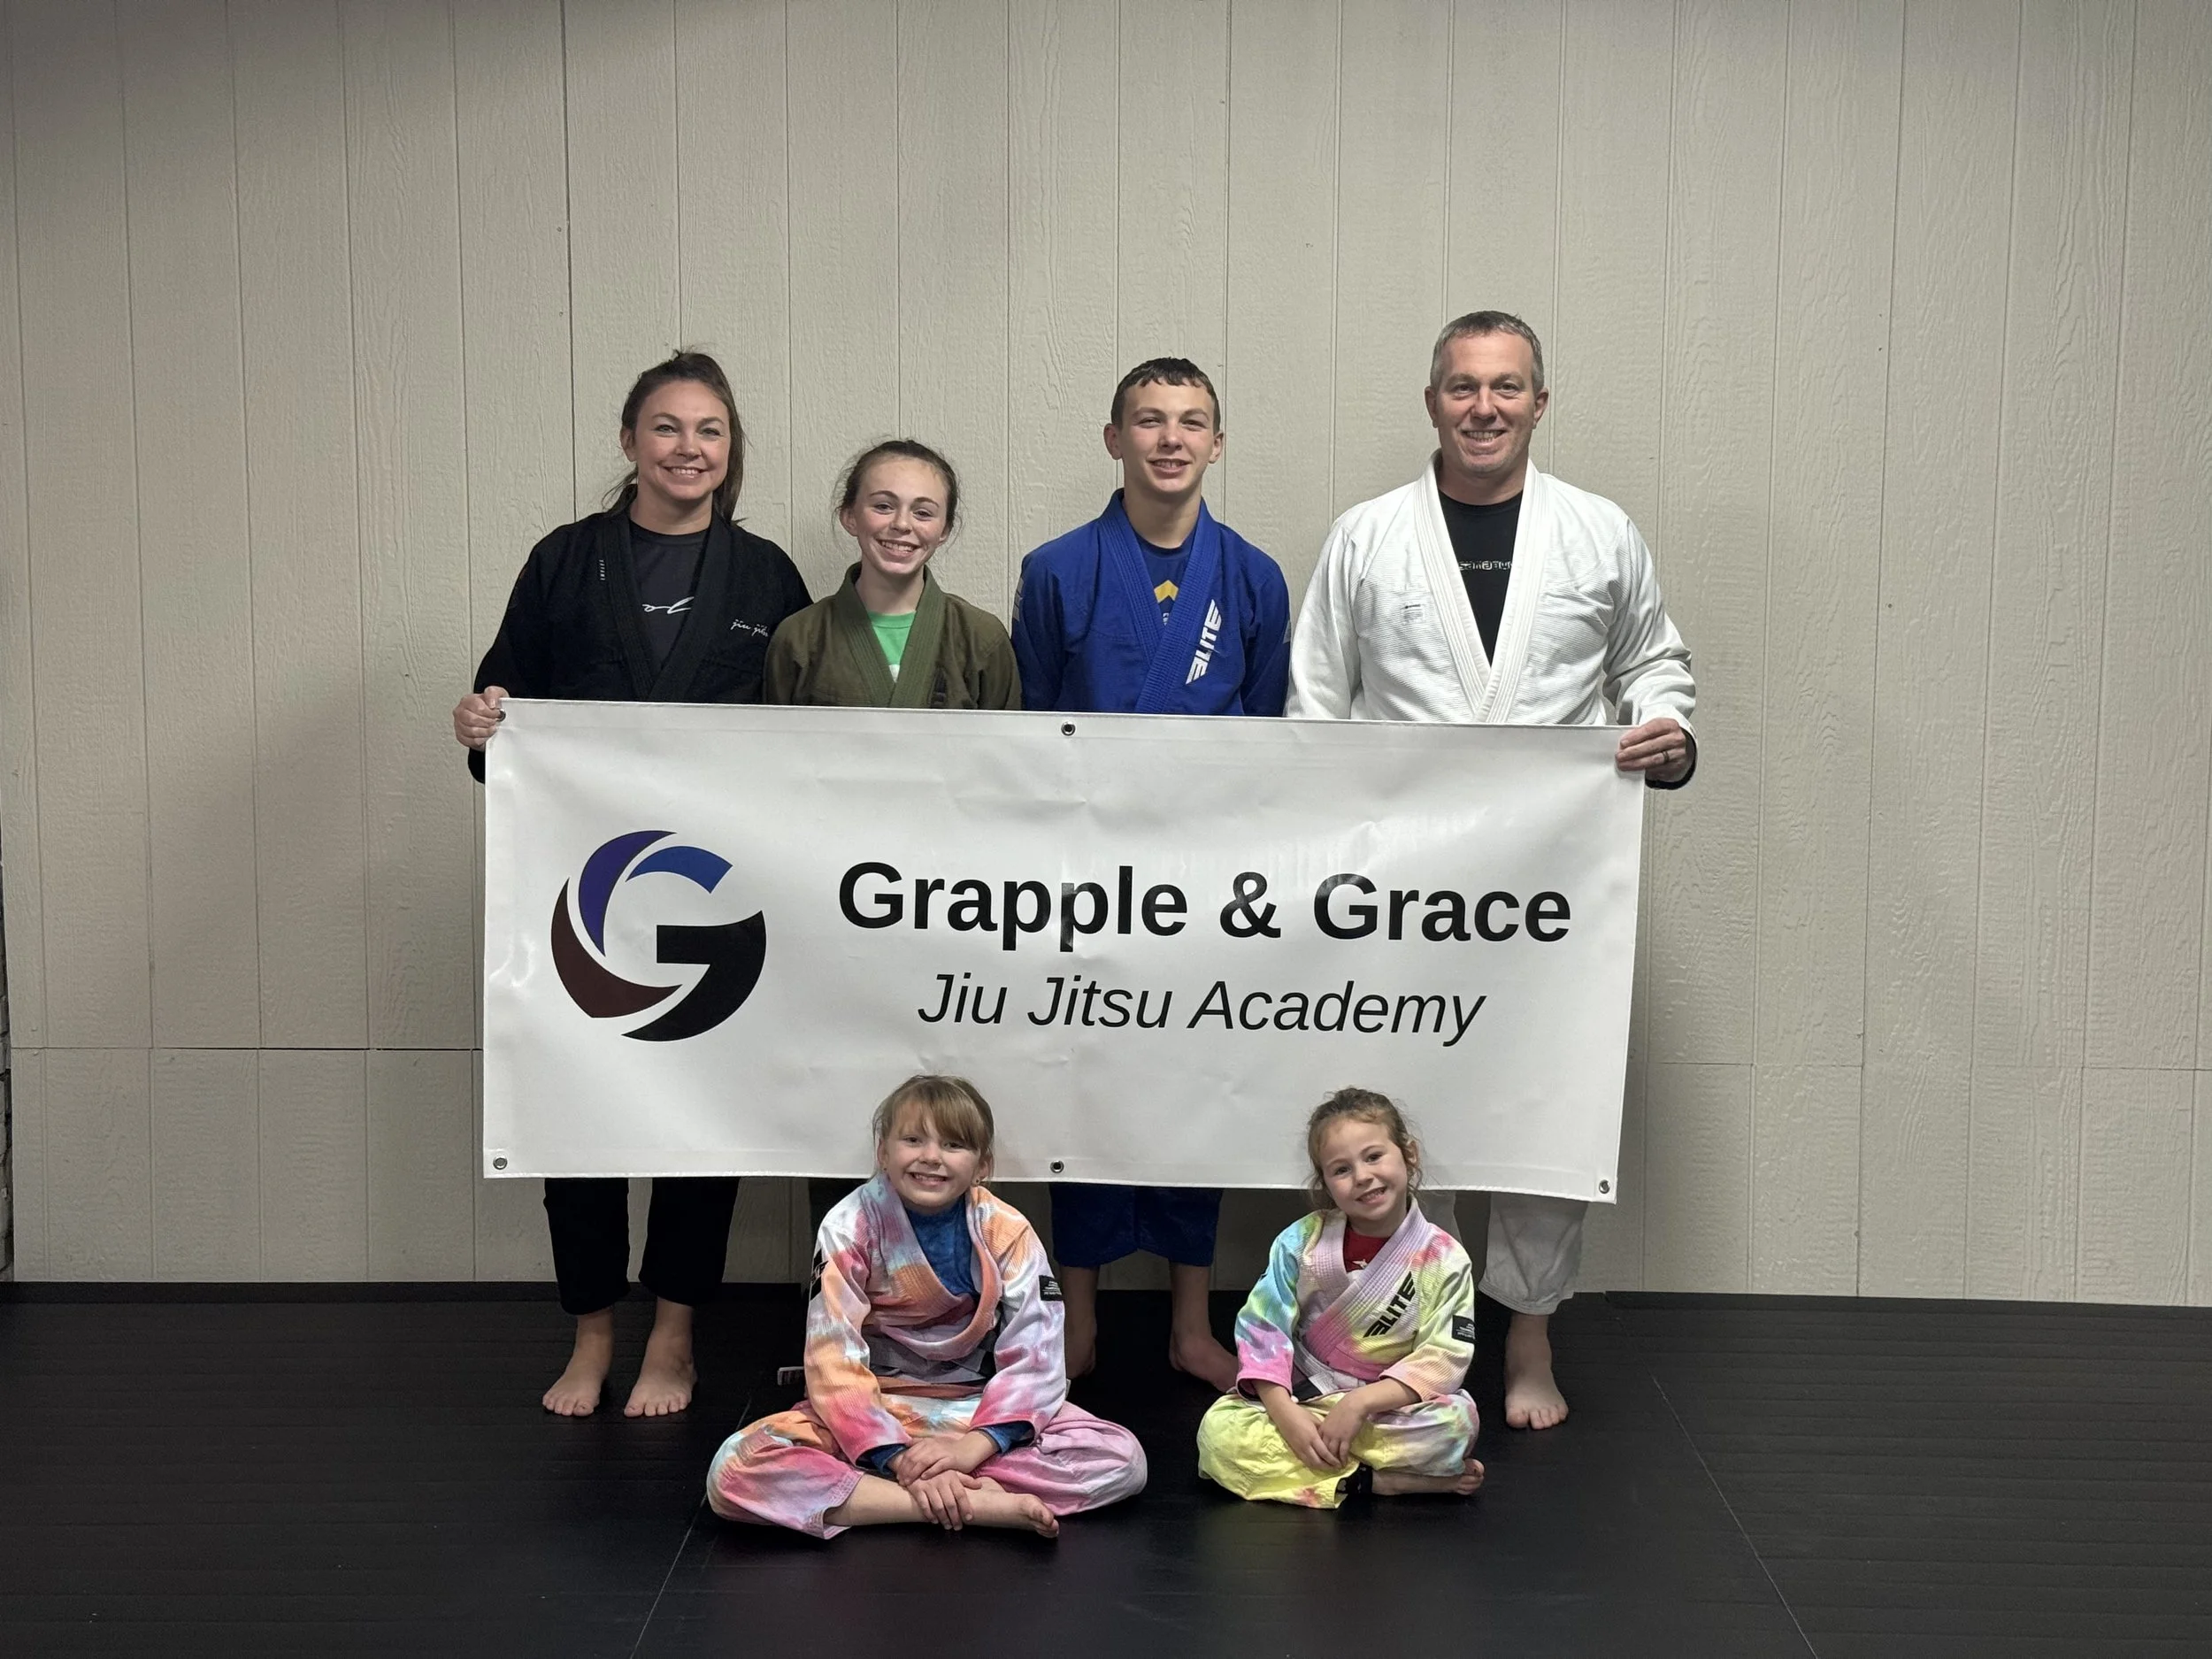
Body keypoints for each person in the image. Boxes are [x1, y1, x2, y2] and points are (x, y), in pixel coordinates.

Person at [1286, 311, 1697, 1432]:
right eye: (1463, 387)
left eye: (1506, 388)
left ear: (1539, 404)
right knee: (1388, 1098)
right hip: (1397, 875)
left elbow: (1652, 661)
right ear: (1431, 402)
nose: (1483, 407)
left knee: (1537, 1101)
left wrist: (1666, 729)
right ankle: (1393, 1335)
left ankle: (1525, 1337)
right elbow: (1316, 701)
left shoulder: (1597, 532)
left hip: (1542, 875)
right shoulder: (1367, 535)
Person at [452, 350, 812, 1418]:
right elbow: (504, 713)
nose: (688, 449)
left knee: (698, 1123)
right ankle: (592, 1332)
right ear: (628, 443)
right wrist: (480, 725)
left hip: (716, 899)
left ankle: (674, 1339)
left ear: (729, 450)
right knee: (582, 1119)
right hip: (584, 893)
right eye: (667, 428)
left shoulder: (764, 577)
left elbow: (809, 747)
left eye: (709, 431)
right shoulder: (565, 562)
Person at [1011, 357, 1291, 1392]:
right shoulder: (1056, 568)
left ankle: (1188, 1319)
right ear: (1113, 438)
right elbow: (1033, 724)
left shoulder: (1254, 576)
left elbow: (1269, 743)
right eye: (1148, 420)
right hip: (1084, 878)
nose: (1170, 439)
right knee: (1079, 1083)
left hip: (1204, 879)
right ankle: (1075, 1319)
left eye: (1191, 422)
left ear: (1217, 443)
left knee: (1192, 1089)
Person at [706, 1076, 1149, 1539]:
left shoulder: (1007, 1230)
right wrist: (894, 1455)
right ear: (883, 1152)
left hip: (975, 1409)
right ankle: (966, 1504)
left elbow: (1036, 1355)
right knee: (735, 1469)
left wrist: (974, 1447)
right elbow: (831, 1356)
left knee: (1122, 1460)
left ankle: (902, 1494)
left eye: (954, 1144)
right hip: (877, 1406)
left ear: (983, 1164)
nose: (931, 1157)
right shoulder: (850, 1225)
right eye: (913, 1139)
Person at [765, 439, 1020, 1233]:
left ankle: (958, 1296)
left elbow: (1015, 785)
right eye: (882, 504)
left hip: (954, 909)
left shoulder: (979, 640)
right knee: (839, 1095)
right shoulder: (799, 640)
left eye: (923, 510)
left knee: (952, 1099)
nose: (901, 525)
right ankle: (837, 1300)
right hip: (833, 911)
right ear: (849, 515)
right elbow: (763, 786)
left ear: (945, 528)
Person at [1196, 1088, 1483, 1508]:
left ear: (1409, 1154)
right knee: (1218, 1434)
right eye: (1341, 1169)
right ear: (1326, 1184)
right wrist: (1284, 1413)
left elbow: (1446, 1355)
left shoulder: (1445, 1258)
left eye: (1373, 1157)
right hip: (1306, 1396)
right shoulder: (1300, 1242)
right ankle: (1377, 1480)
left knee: (1457, 1423)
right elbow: (1263, 1327)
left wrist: (1360, 1403)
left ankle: (1325, 1470)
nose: (1363, 1176)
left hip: (1385, 1407)